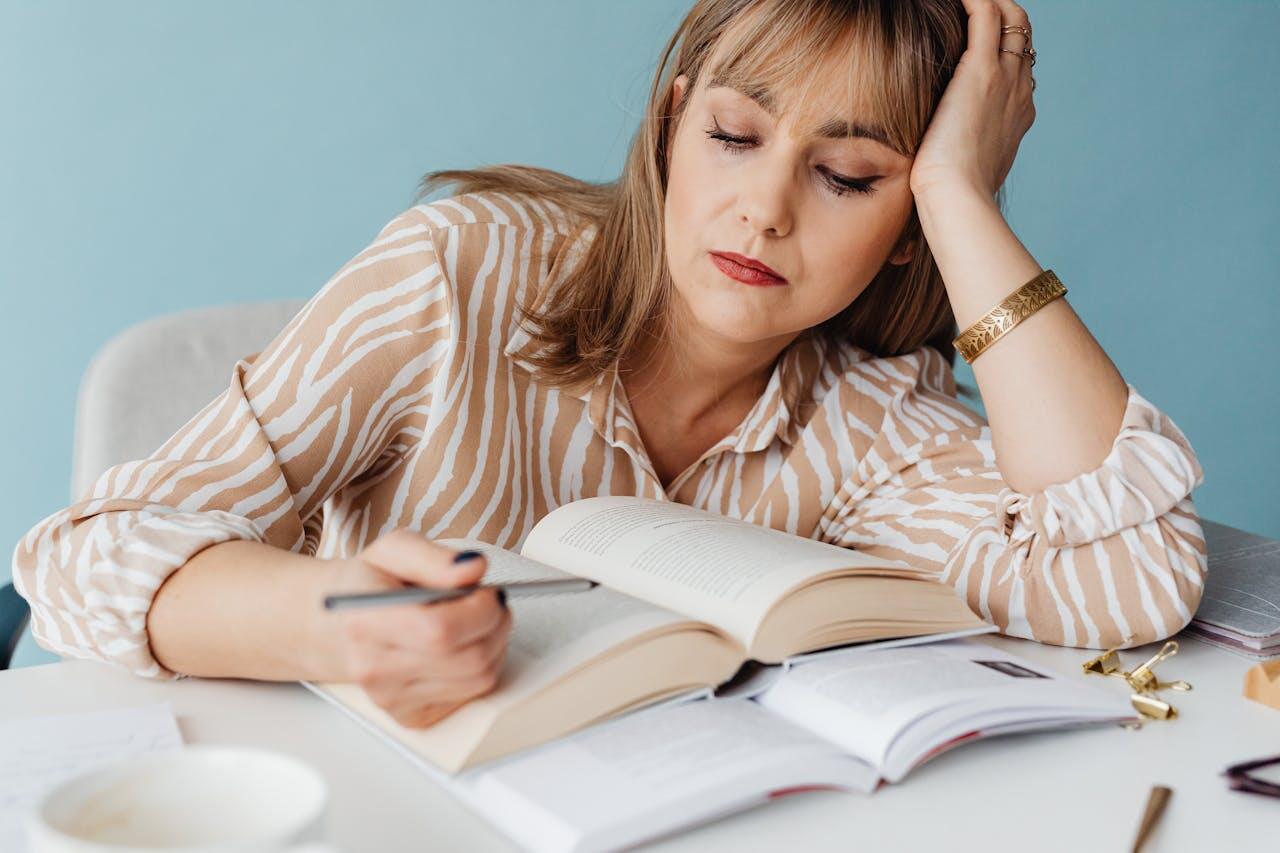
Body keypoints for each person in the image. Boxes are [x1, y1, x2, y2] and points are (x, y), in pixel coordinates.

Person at [11, 0, 1206, 731]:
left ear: (905, 227)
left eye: (847, 175)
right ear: (667, 125)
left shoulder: (871, 413)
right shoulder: (457, 273)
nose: (763, 209)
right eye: (732, 138)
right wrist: (334, 626)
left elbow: (1129, 581)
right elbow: (81, 557)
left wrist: (960, 195)